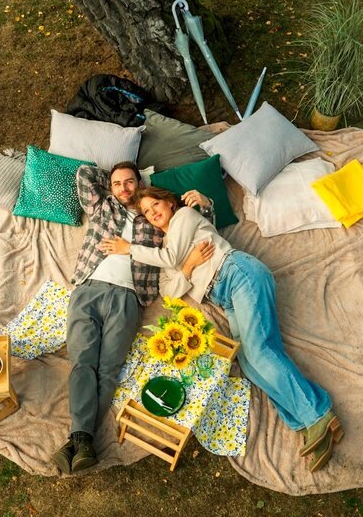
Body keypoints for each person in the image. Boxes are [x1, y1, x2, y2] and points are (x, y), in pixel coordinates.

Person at [101, 186, 343, 472]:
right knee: (250, 363)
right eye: (146, 212)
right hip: (225, 296)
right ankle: (304, 422)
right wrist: (188, 267)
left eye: (155, 205)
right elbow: (170, 292)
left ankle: (318, 416)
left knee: (261, 351)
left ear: (168, 202)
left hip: (237, 273)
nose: (153, 213)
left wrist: (129, 248)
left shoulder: (185, 217)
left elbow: (170, 259)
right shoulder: (164, 251)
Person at [51, 162, 215, 475]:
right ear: (110, 188)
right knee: (83, 361)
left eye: (130, 183)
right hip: (88, 289)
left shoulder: (153, 217)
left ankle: (78, 441)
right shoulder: (102, 207)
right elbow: (85, 172)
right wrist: (120, 180)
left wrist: (204, 205)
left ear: (140, 185)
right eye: (118, 184)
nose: (124, 188)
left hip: (128, 297)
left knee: (109, 368)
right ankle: (82, 440)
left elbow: (195, 227)